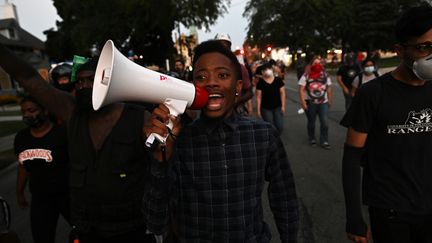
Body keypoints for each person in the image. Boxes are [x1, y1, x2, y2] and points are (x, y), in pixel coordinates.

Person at [0, 44, 170, 243]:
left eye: (91, 79)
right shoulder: (72, 113)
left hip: (131, 229)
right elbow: (29, 78)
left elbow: (161, 168)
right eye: (80, 81)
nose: (84, 86)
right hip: (88, 229)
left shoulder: (138, 117)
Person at [145, 40, 299, 242]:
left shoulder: (263, 135)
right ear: (193, 89)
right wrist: (161, 158)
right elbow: (155, 222)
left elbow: (284, 198)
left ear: (238, 87)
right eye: (201, 77)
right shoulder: (178, 140)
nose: (211, 82)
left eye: (223, 75)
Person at [340, 5, 432, 243]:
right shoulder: (373, 94)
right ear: (400, 50)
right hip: (391, 211)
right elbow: (352, 155)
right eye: (424, 48)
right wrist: (354, 217)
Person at [14, 96, 70, 243]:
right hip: (41, 198)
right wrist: (19, 191)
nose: (26, 115)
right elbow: (23, 167)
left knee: (85, 233)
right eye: (23, 111)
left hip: (68, 195)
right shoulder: (21, 138)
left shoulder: (63, 133)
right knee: (42, 237)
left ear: (45, 110)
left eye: (31, 110)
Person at [214, 33, 254, 116]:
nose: (223, 50)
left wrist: (235, 101)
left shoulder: (240, 68)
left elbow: (250, 92)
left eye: (226, 47)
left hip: (236, 113)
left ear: (229, 49)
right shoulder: (209, 69)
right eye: (220, 47)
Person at [298, 56, 333, 149]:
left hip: (323, 102)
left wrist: (330, 100)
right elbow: (301, 89)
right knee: (311, 122)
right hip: (311, 102)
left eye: (319, 63)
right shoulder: (306, 75)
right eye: (315, 63)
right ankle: (312, 138)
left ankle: (324, 140)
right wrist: (303, 102)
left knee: (325, 122)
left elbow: (329, 87)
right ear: (311, 64)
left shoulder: (325, 75)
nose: (317, 65)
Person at [256, 62, 286, 134]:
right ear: (262, 72)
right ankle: (273, 140)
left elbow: (283, 93)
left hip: (277, 106)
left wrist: (283, 106)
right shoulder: (260, 83)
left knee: (279, 126)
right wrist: (258, 110)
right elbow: (258, 97)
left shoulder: (278, 80)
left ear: (272, 69)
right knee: (270, 126)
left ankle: (276, 136)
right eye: (265, 69)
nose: (267, 71)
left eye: (268, 69)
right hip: (265, 108)